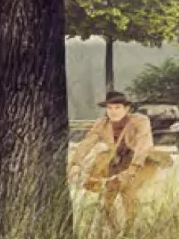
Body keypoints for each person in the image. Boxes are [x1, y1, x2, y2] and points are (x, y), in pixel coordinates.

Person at [70, 92, 169, 227]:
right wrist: (76, 163)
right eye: (110, 108)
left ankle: (131, 229)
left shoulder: (140, 121)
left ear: (126, 109)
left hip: (142, 161)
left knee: (128, 190)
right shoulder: (102, 124)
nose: (113, 112)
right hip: (118, 161)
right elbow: (87, 143)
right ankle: (114, 231)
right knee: (106, 198)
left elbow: (143, 145)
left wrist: (133, 168)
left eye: (117, 108)